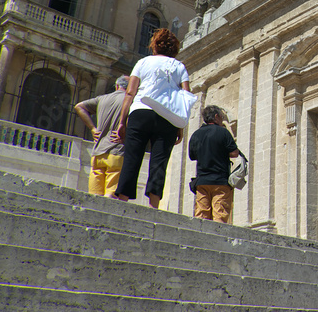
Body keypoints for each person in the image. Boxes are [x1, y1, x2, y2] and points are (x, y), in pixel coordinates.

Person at [114, 28, 189, 208]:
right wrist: (180, 125)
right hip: (167, 116)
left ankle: (123, 200)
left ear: (154, 45)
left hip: (140, 111)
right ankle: (154, 206)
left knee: (132, 157)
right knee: (159, 161)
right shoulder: (179, 66)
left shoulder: (142, 62)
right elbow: (185, 95)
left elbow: (130, 93)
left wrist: (122, 121)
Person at [73, 75, 130, 197]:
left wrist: (93, 128)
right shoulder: (130, 101)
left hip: (98, 152)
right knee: (111, 196)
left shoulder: (102, 99)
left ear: (117, 85)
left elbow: (79, 107)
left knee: (94, 195)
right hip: (117, 150)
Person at [188, 105, 239, 223]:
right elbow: (234, 153)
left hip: (202, 182)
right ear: (216, 117)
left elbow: (192, 156)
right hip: (220, 182)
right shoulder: (223, 132)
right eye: (221, 117)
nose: (221, 119)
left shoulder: (196, 134)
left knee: (201, 216)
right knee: (219, 216)